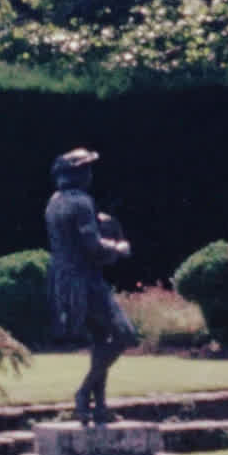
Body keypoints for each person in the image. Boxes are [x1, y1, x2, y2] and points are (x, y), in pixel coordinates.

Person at [44, 147, 138, 426]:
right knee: (125, 335)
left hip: (65, 280)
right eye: (85, 169)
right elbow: (92, 245)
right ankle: (84, 392)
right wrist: (119, 247)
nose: (89, 174)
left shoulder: (54, 201)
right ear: (76, 173)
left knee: (101, 339)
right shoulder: (81, 202)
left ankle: (98, 407)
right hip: (86, 280)